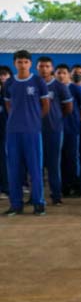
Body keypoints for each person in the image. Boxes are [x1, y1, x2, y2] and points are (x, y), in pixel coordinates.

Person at [3, 50, 50, 215]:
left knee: (35, 169)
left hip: (32, 131)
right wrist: (17, 119)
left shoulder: (38, 81)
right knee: (14, 169)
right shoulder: (9, 83)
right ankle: (16, 204)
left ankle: (38, 203)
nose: (22, 65)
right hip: (13, 132)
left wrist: (34, 120)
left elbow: (45, 105)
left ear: (30, 64)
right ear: (14, 64)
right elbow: (9, 106)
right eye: (19, 62)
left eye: (25, 62)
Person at [37, 57, 73, 206]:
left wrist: (56, 118)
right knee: (35, 165)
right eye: (41, 66)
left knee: (53, 164)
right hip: (34, 131)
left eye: (47, 66)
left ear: (51, 68)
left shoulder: (59, 86)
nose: (44, 69)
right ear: (37, 68)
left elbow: (68, 108)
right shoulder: (33, 84)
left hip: (54, 131)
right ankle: (36, 196)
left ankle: (56, 196)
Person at [56, 64, 81, 198]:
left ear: (68, 74)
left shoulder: (75, 89)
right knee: (60, 159)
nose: (61, 75)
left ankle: (77, 186)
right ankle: (64, 187)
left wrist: (77, 121)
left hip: (72, 129)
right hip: (56, 128)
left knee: (72, 158)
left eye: (63, 73)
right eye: (58, 73)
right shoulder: (54, 88)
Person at [0, 65, 10, 201]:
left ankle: (6, 188)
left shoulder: (8, 96)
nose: (2, 77)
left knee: (4, 162)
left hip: (5, 133)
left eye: (4, 74)